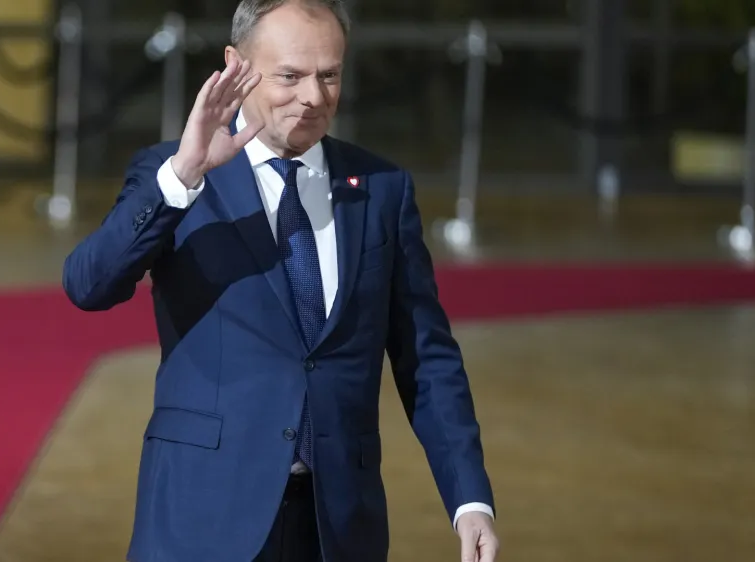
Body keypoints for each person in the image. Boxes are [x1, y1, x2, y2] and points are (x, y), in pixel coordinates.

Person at [62, 0, 498, 560]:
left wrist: (469, 500)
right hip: (204, 514)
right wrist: (183, 176)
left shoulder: (383, 189)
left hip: (338, 524)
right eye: (290, 75)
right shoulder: (174, 174)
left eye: (330, 75)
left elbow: (427, 357)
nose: (314, 97)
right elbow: (88, 285)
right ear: (235, 66)